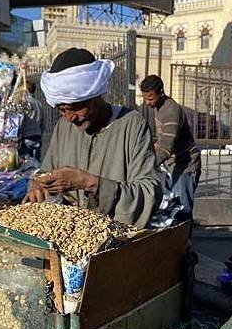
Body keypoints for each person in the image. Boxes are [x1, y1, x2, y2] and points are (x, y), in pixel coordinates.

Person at [24, 48, 160, 229]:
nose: (70, 117)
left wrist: (90, 183)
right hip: (71, 234)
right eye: (62, 110)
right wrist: (37, 184)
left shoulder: (131, 124)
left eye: (76, 107)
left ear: (96, 96)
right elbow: (47, 171)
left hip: (114, 237)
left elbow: (149, 192)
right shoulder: (64, 126)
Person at [140, 75, 201, 221]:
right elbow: (161, 141)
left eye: (150, 98)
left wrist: (145, 167)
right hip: (172, 166)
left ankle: (184, 242)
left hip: (185, 166)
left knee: (182, 211)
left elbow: (166, 149)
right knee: (171, 210)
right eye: (145, 98)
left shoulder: (171, 111)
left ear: (161, 92)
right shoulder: (159, 107)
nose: (147, 103)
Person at [18, 80, 45, 161]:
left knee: (26, 164)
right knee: (36, 163)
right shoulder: (38, 103)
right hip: (37, 136)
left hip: (27, 136)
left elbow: (21, 120)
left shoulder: (24, 103)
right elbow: (42, 122)